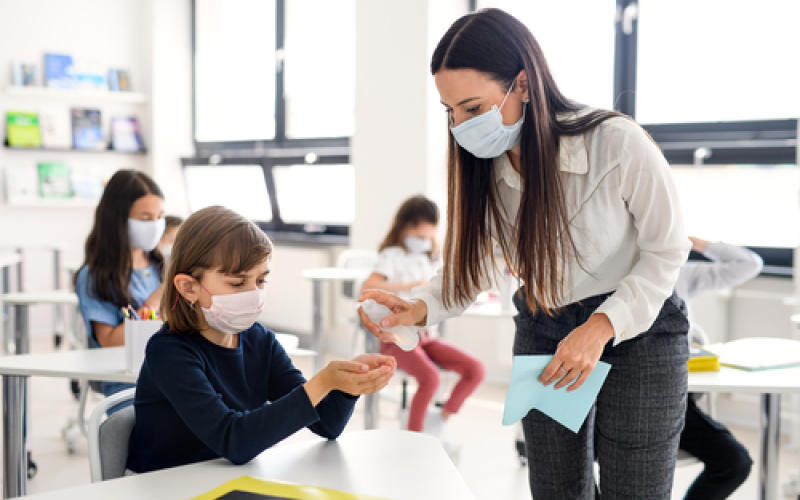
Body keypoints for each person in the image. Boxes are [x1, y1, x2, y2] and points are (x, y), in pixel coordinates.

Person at [359, 8, 691, 498]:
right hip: (543, 322)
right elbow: (478, 265)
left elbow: (666, 250)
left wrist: (599, 327)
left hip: (638, 331)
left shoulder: (615, 142)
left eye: (472, 108)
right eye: (450, 111)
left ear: (524, 85)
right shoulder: (487, 167)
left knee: (634, 489)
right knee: (557, 487)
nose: (460, 126)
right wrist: (421, 306)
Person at [126, 206, 396, 473]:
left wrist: (347, 384)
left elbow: (327, 424)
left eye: (261, 281)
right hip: (165, 486)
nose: (253, 294)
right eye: (237, 283)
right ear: (188, 287)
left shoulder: (258, 339)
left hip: (223, 479)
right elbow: (235, 442)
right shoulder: (169, 352)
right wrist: (322, 382)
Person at [361, 195, 485, 436]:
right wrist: (412, 285)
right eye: (419, 237)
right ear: (405, 228)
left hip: (427, 336)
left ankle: (441, 420)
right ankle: (414, 437)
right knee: (432, 378)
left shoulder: (431, 257)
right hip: (398, 339)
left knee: (476, 369)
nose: (424, 242)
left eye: (428, 237)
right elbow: (370, 285)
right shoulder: (392, 256)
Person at [676, 236, 760, 500]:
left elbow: (749, 264)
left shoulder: (683, 274)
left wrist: (695, 242)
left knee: (735, 463)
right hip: (609, 401)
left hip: (675, 401)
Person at [74, 169, 166, 406]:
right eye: (145, 218)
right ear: (119, 219)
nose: (155, 225)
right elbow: (110, 340)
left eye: (160, 216)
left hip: (171, 369)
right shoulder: (95, 276)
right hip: (127, 380)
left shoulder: (161, 266)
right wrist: (155, 300)